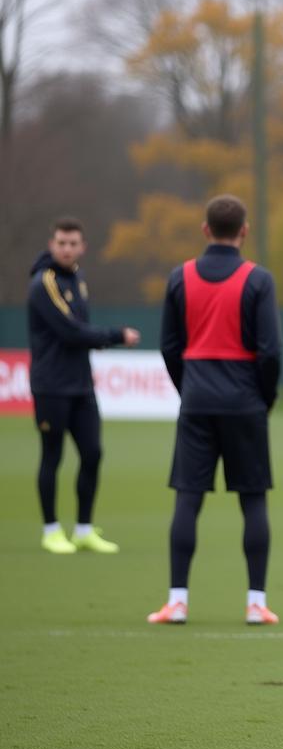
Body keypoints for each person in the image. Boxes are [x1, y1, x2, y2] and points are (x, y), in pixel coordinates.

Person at [148, 195, 282, 626]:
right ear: (243, 231)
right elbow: (270, 352)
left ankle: (177, 602)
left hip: (198, 401)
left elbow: (169, 347)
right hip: (245, 402)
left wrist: (187, 388)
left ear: (205, 230)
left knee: (188, 498)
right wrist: (266, 398)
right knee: (253, 500)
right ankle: (256, 604)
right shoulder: (258, 280)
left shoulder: (179, 277)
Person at [27, 217, 141, 554]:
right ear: (52, 245)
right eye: (61, 243)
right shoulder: (43, 282)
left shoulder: (78, 279)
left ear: (82, 247)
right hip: (51, 385)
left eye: (72, 243)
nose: (66, 248)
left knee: (92, 453)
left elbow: (78, 331)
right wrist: (116, 335)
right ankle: (51, 530)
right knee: (52, 455)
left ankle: (83, 529)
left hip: (80, 385)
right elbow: (70, 331)